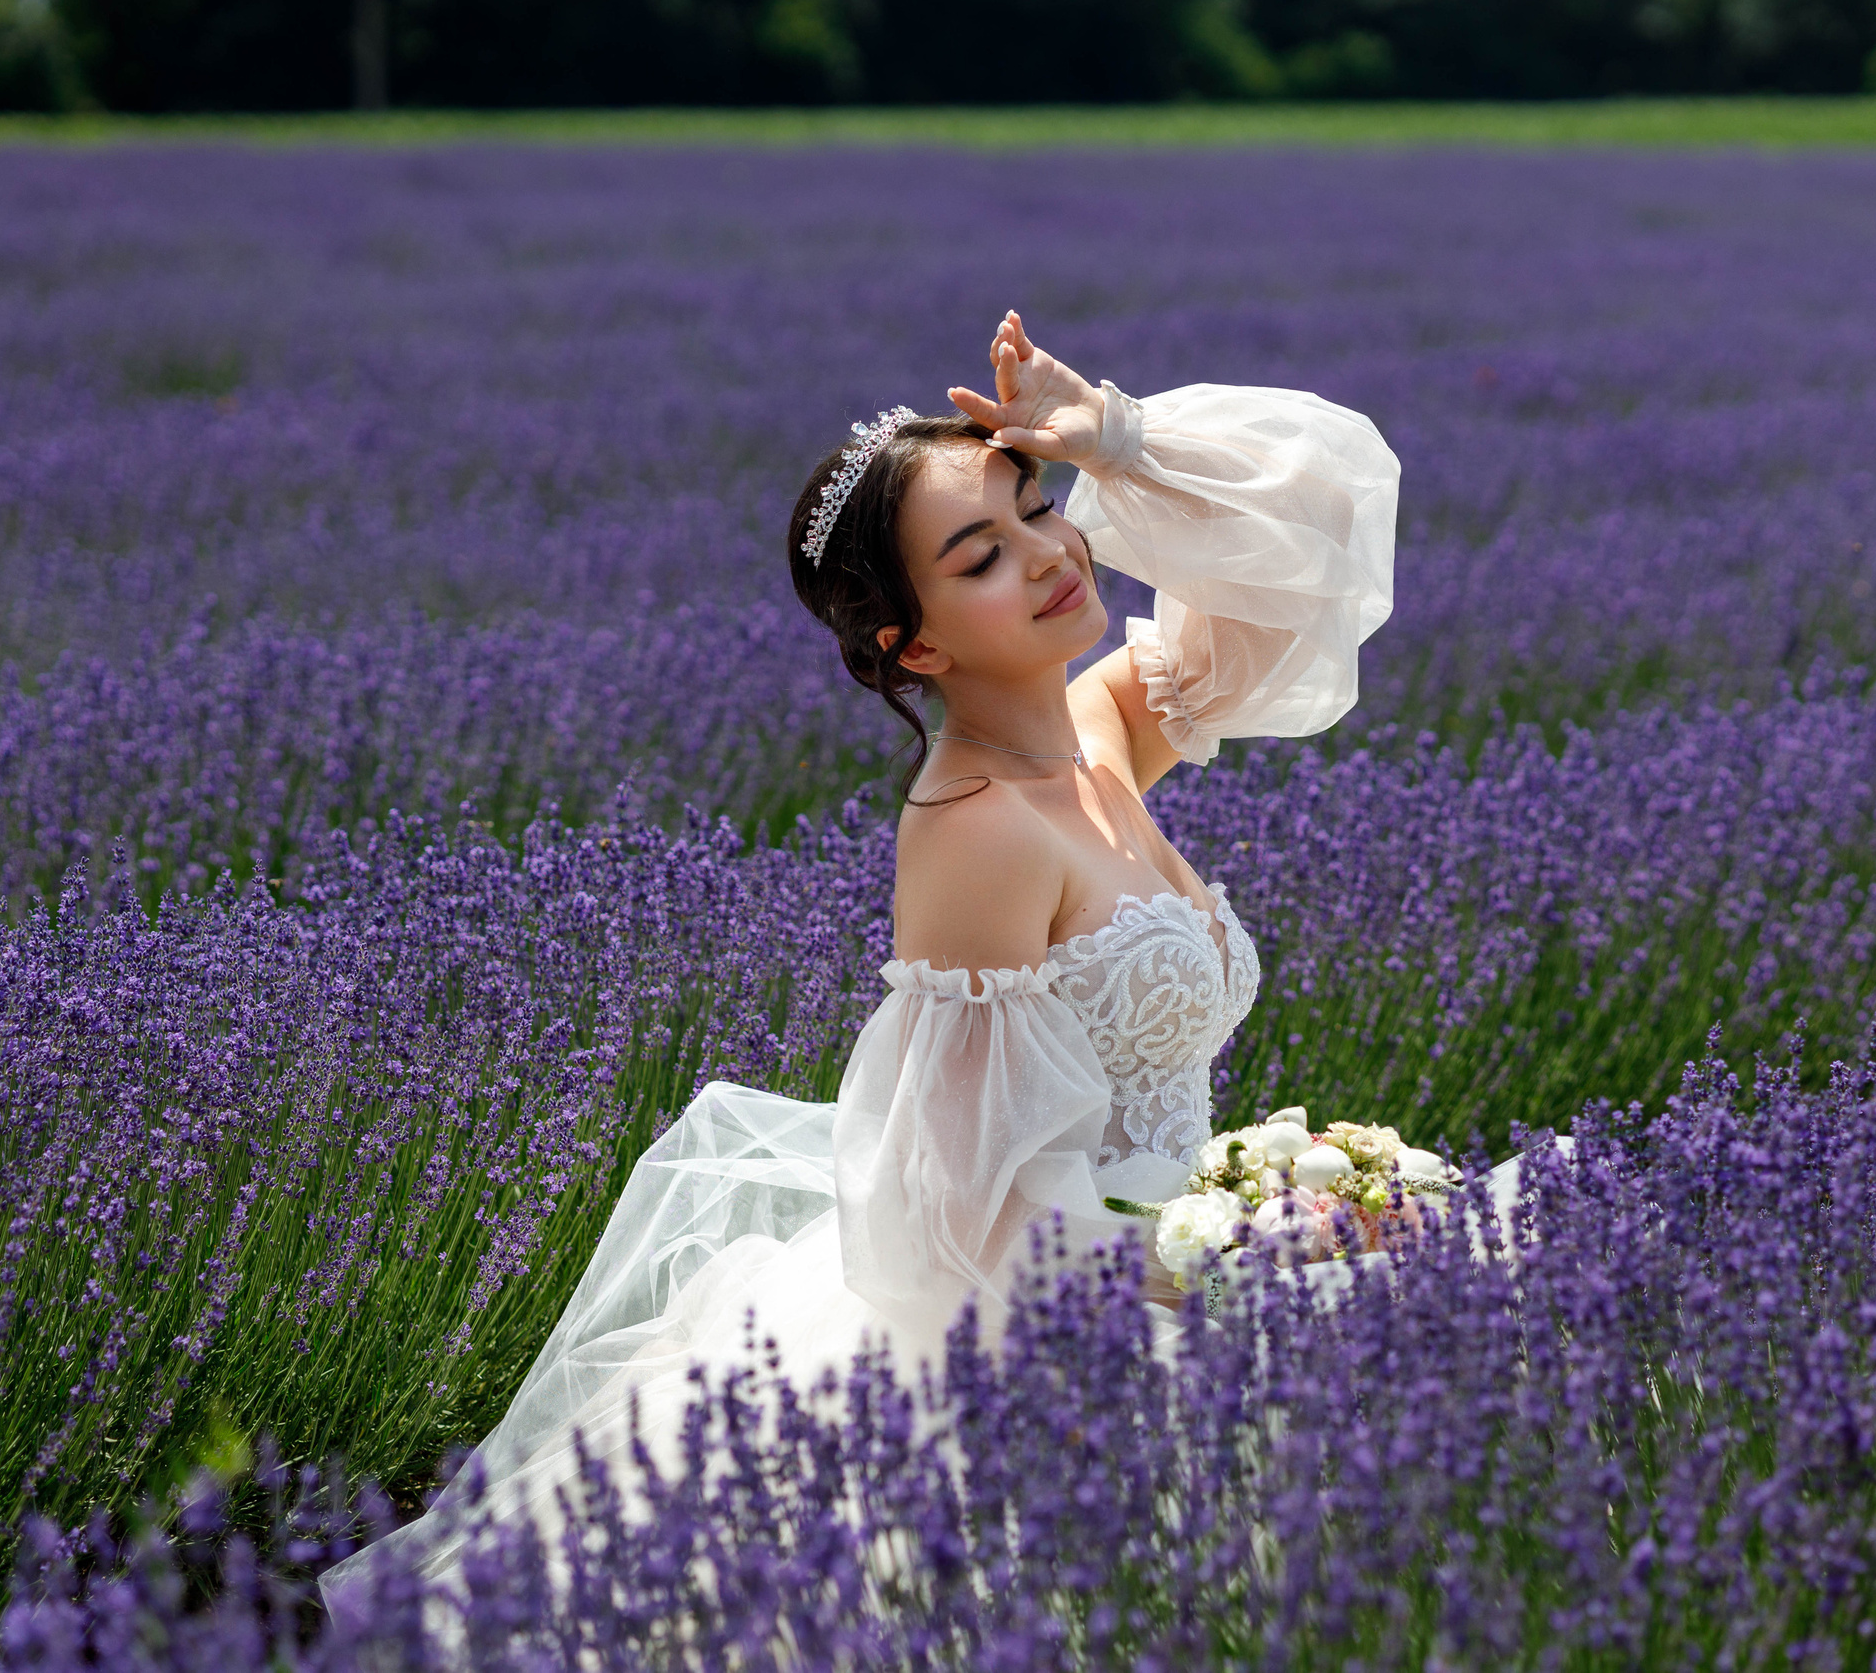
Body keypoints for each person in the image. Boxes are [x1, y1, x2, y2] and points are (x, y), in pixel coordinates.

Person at [321, 309, 1404, 1603]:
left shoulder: (1101, 727)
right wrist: (1228, 1267)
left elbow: (1323, 545)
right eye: (981, 555)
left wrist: (1120, 439)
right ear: (917, 645)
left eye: (1037, 505)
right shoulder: (979, 833)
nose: (1054, 552)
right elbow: (967, 1220)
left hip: (1161, 1267)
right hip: (1061, 1341)